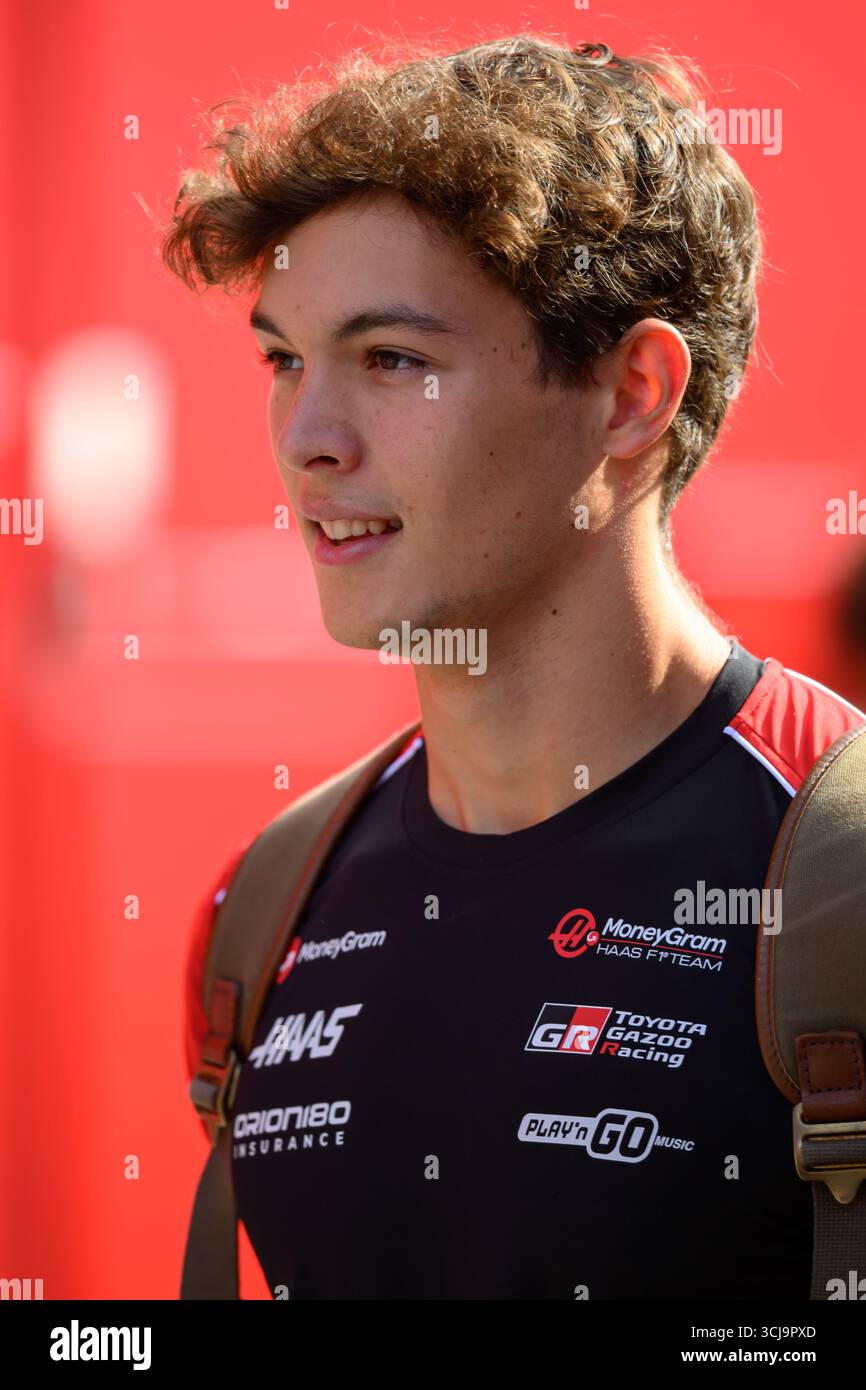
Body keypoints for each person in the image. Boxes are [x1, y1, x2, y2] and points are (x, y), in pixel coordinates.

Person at [163, 35, 865, 1299]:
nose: (307, 438)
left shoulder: (839, 885)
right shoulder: (262, 907)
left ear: (630, 392)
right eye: (283, 358)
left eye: (391, 359)